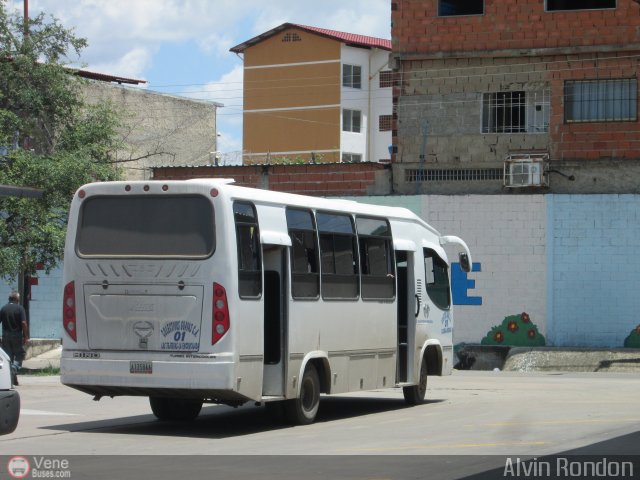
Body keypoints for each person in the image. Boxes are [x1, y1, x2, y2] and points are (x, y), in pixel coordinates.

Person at [1, 291, 29, 385]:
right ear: (17, 299)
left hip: (5, 336)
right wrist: (25, 336)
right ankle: (14, 369)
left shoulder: (3, 309)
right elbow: (24, 323)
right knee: (20, 355)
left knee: (8, 358)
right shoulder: (20, 308)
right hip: (17, 336)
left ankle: (13, 379)